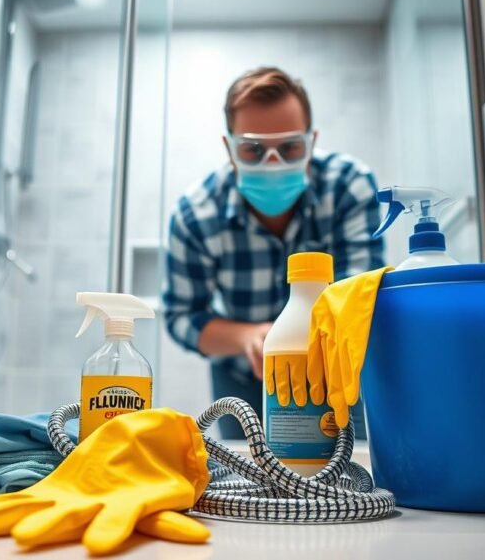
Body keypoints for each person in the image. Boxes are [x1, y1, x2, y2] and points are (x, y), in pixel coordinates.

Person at [163, 67, 385, 439]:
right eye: (252, 149)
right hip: (244, 379)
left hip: (335, 369)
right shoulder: (195, 214)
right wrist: (248, 336)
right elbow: (182, 316)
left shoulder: (349, 187)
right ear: (229, 148)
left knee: (349, 478)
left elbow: (361, 293)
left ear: (311, 142)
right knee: (249, 484)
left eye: (289, 148)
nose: (272, 163)